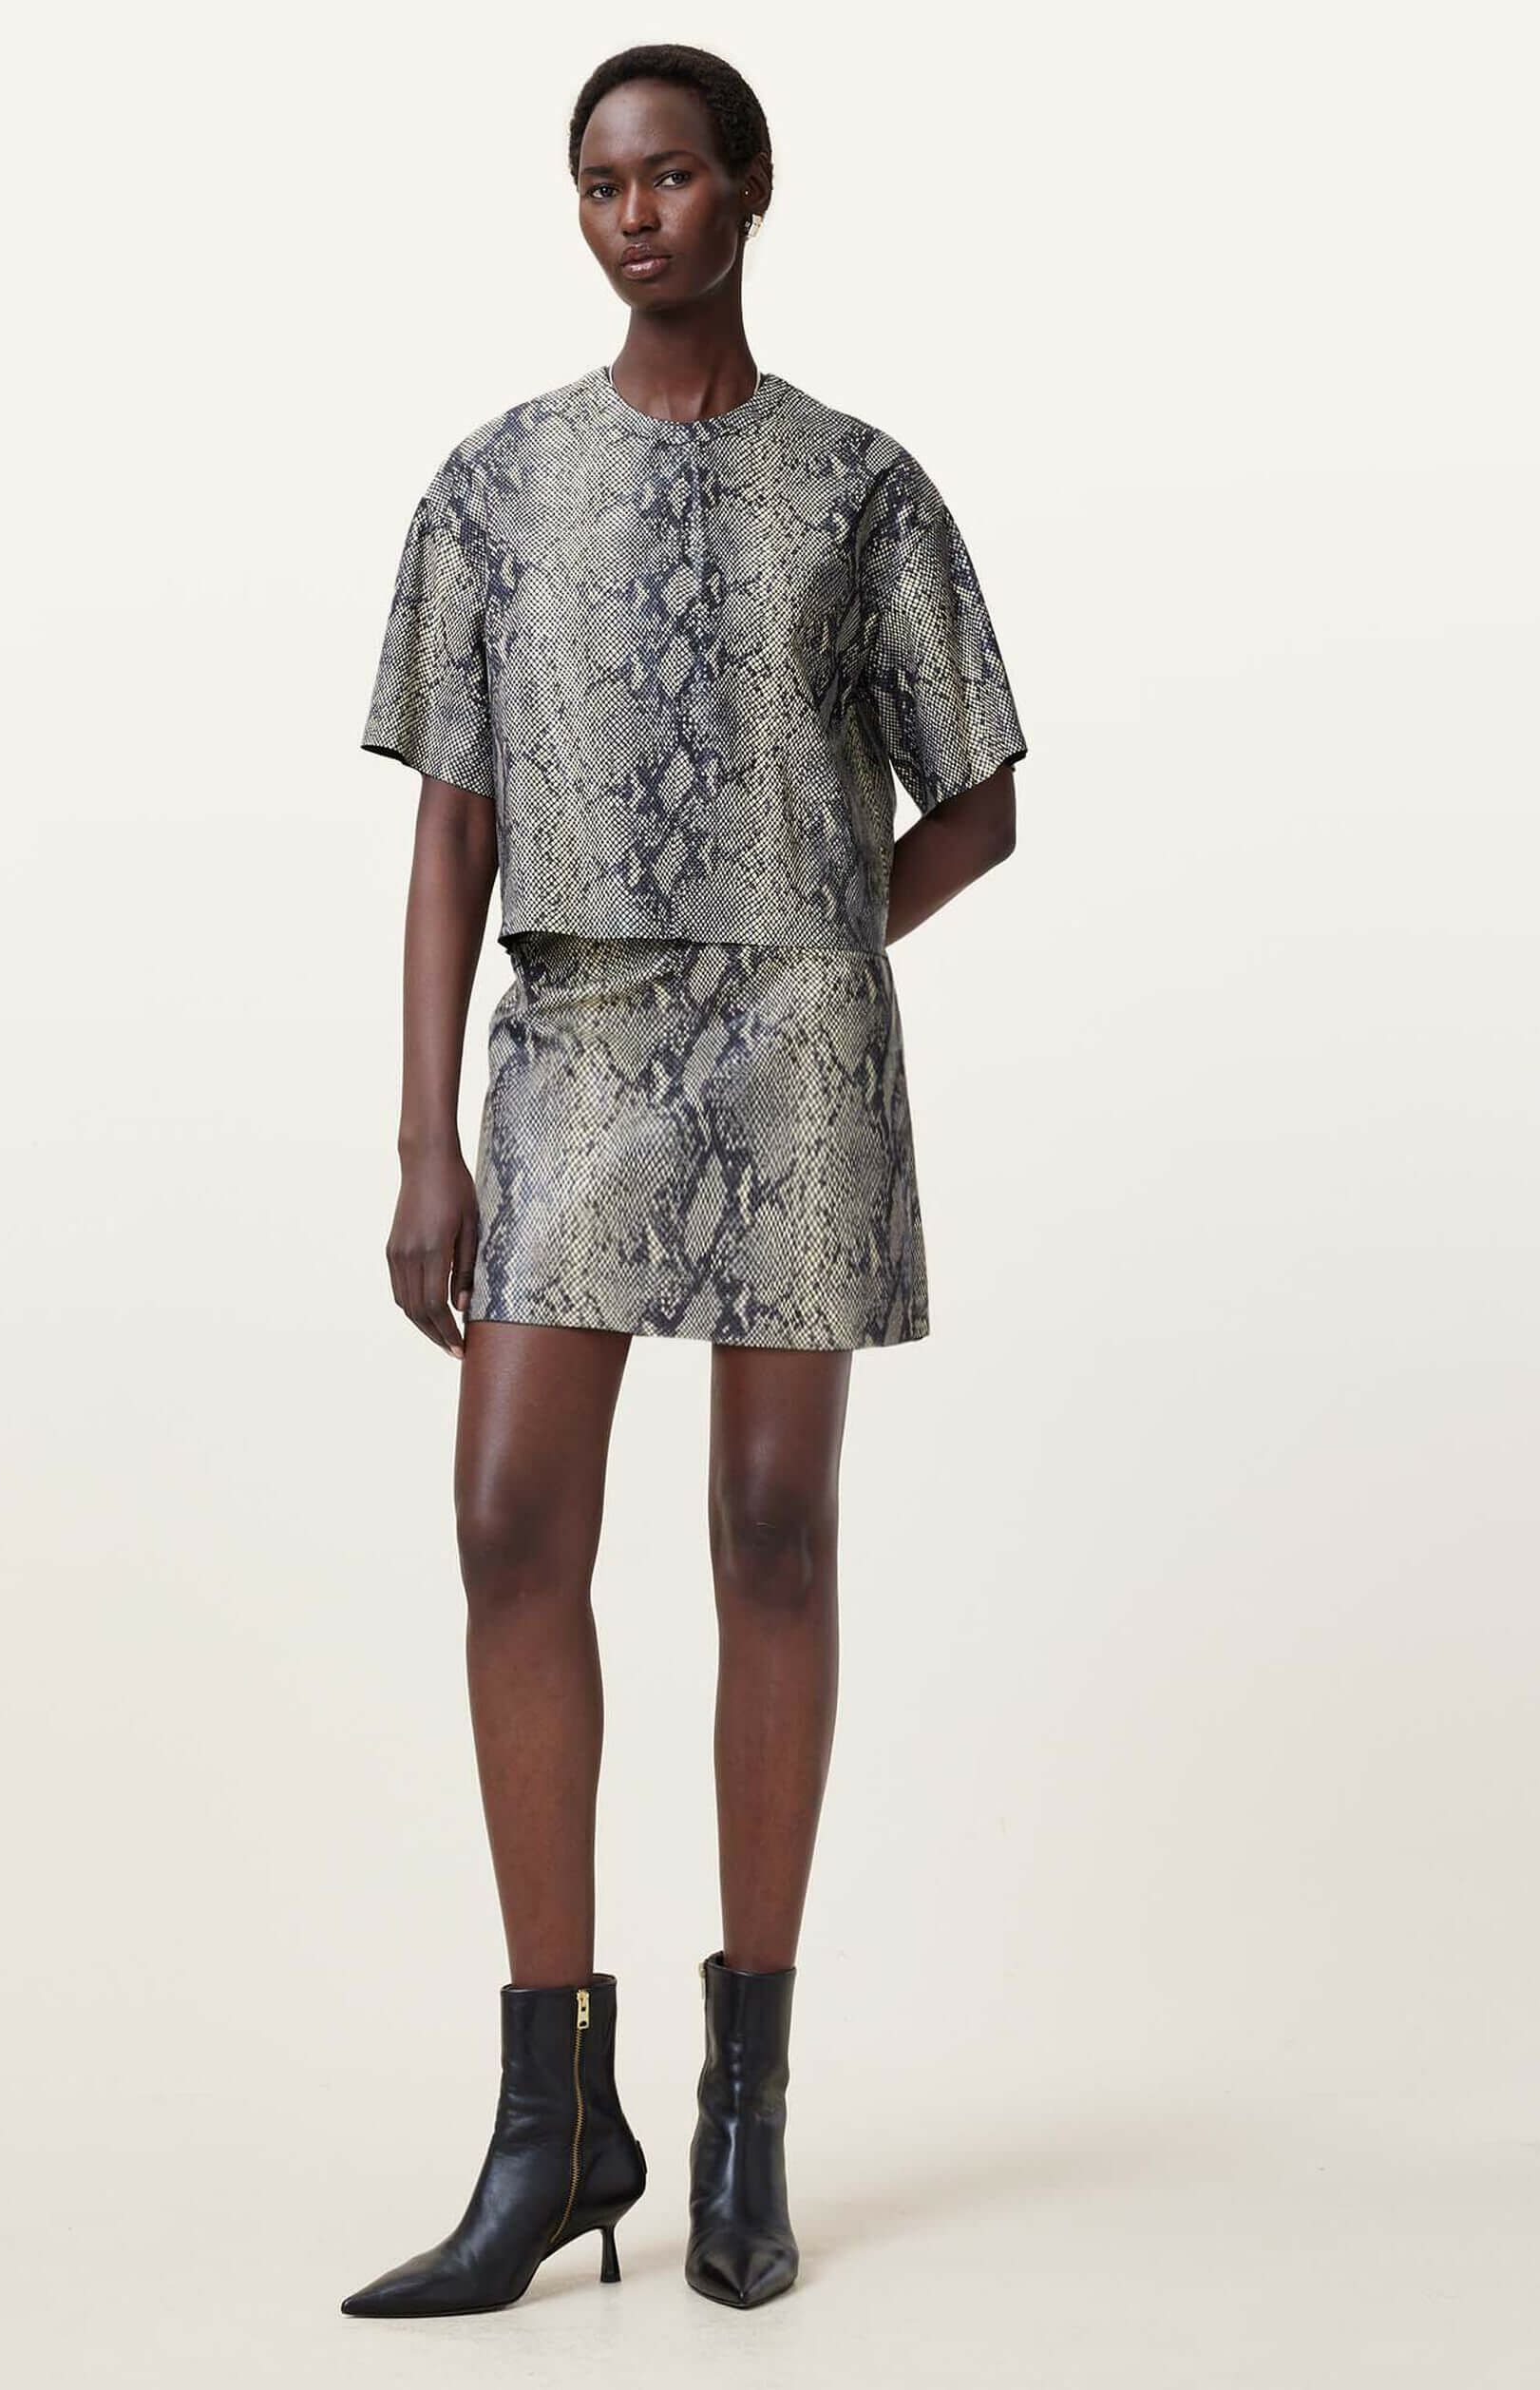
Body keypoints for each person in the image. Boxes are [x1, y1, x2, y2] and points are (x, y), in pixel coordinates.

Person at [342, 42, 1027, 2318]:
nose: (632, 214)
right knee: (507, 1521)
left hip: (795, 1053)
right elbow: (450, 822)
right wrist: (425, 1130)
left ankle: (746, 2117)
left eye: (667, 176)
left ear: (749, 188)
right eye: (598, 184)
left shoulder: (861, 487)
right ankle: (556, 2123)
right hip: (574, 1039)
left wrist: (814, 941)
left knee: (770, 1530)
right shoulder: (494, 485)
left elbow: (977, 798)